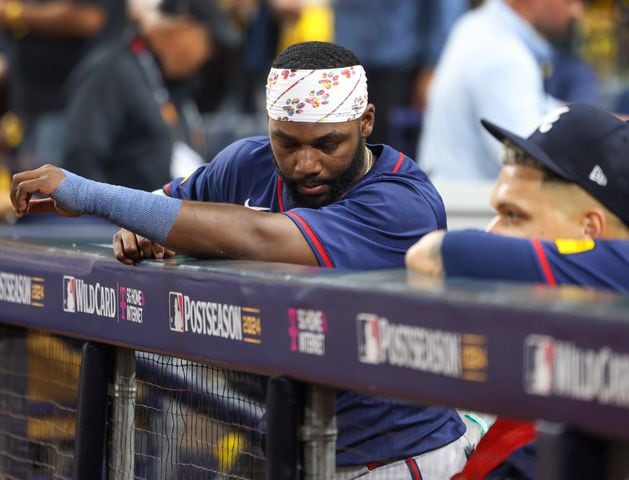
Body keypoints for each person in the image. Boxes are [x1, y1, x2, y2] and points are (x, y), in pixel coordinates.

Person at [11, 41, 472, 478]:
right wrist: (141, 228)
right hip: (289, 445)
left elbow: (260, 236)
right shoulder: (247, 163)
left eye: (328, 144)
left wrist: (88, 193)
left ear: (366, 122)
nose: (306, 164)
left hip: (396, 456)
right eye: (288, 143)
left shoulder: (401, 202)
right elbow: (166, 208)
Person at [406, 103, 629, 479]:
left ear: (589, 231)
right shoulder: (582, 324)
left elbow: (434, 253)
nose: (493, 232)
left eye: (513, 216)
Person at [418, 0, 582, 179]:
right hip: (470, 204)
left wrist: (597, 124)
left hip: (452, 197)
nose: (577, 13)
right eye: (569, 2)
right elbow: (529, 163)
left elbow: (537, 108)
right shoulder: (502, 55)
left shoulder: (477, 26)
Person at [62, 13, 212, 190]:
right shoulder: (111, 71)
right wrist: (105, 210)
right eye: (207, 37)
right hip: (123, 212)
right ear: (178, 29)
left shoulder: (176, 81)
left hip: (167, 210)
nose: (208, 51)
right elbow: (81, 156)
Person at [1, 0, 127, 170]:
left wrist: (15, 13)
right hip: (30, 104)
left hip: (67, 104)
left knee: (53, 189)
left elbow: (87, 18)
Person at [332, 0, 467, 154]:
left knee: (384, 154)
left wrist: (432, 67)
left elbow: (446, 10)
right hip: (346, 60)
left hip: (397, 67)